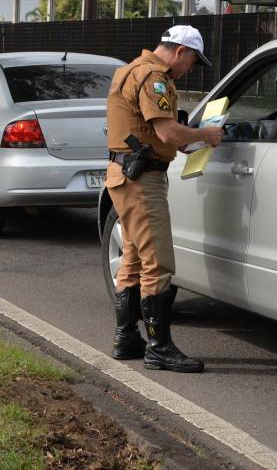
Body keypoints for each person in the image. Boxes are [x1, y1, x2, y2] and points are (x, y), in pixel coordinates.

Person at [105, 25, 223, 373]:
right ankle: (159, 347)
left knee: (134, 259)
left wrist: (194, 140)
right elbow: (167, 132)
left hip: (125, 175)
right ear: (180, 51)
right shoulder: (152, 78)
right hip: (142, 180)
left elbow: (167, 136)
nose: (190, 69)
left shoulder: (130, 70)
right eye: (192, 61)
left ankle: (127, 338)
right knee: (158, 262)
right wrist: (206, 133)